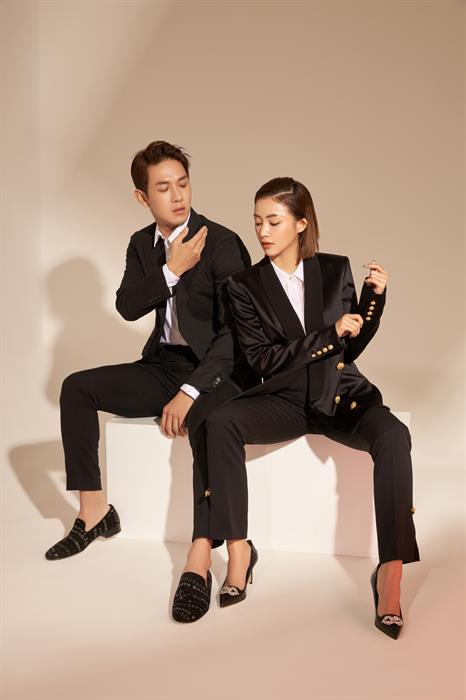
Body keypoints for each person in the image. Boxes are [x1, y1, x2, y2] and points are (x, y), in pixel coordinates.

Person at [177, 177, 420, 638]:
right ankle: (238, 549)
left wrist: (373, 300)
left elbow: (351, 346)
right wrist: (328, 335)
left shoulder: (334, 268)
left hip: (340, 395)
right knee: (221, 420)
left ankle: (391, 571)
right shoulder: (244, 285)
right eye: (257, 222)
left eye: (274, 221)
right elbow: (261, 359)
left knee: (394, 435)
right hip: (285, 400)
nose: (263, 232)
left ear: (301, 223)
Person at [45, 141, 257, 581]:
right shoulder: (142, 244)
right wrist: (170, 270)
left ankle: (201, 550)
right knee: (76, 388)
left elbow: (237, 334)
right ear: (142, 197)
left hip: (217, 371)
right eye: (164, 188)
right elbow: (127, 306)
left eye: (183, 183)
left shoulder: (222, 243)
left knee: (204, 423)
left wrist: (191, 390)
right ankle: (94, 512)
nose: (178, 196)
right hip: (163, 365)